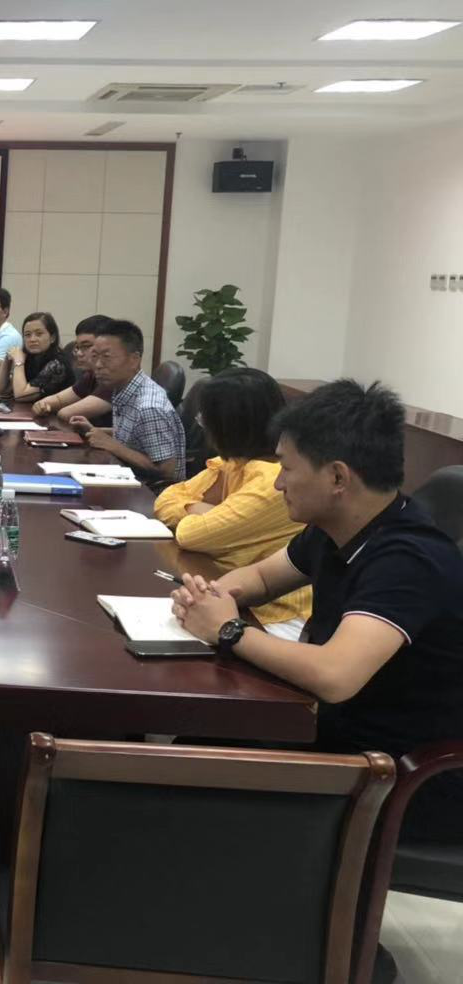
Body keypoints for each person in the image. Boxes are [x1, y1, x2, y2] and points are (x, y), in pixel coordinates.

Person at [171, 380, 463, 842]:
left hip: (398, 777)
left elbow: (335, 675)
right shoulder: (335, 528)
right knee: (195, 748)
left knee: (190, 779)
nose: (278, 482)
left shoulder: (408, 559)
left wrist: (228, 629)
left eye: (287, 468)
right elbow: (263, 577)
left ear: (338, 478)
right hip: (338, 735)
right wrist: (210, 595)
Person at [153, 369, 311, 638]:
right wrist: (209, 512)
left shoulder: (273, 482)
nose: (202, 427)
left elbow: (191, 535)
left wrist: (201, 514)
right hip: (231, 591)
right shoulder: (235, 462)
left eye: (205, 419)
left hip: (274, 616)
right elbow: (166, 498)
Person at [68, 319, 185, 483]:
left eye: (106, 357)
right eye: (95, 357)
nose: (98, 365)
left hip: (149, 492)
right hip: (124, 477)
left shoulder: (149, 407)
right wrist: (95, 430)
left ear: (134, 360)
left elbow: (167, 471)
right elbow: (134, 437)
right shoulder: (124, 388)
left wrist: (112, 445)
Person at [33, 314, 113, 423]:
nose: (79, 353)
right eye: (78, 347)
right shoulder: (91, 375)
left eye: (86, 346)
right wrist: (42, 406)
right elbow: (56, 400)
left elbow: (67, 414)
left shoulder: (114, 378)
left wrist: (49, 407)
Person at [0, 311, 73, 402]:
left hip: (57, 411)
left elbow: (21, 396)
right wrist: (7, 360)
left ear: (52, 338)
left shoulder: (57, 364)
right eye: (27, 335)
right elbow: (0, 390)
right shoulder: (31, 358)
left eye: (39, 334)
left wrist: (19, 362)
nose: (32, 339)